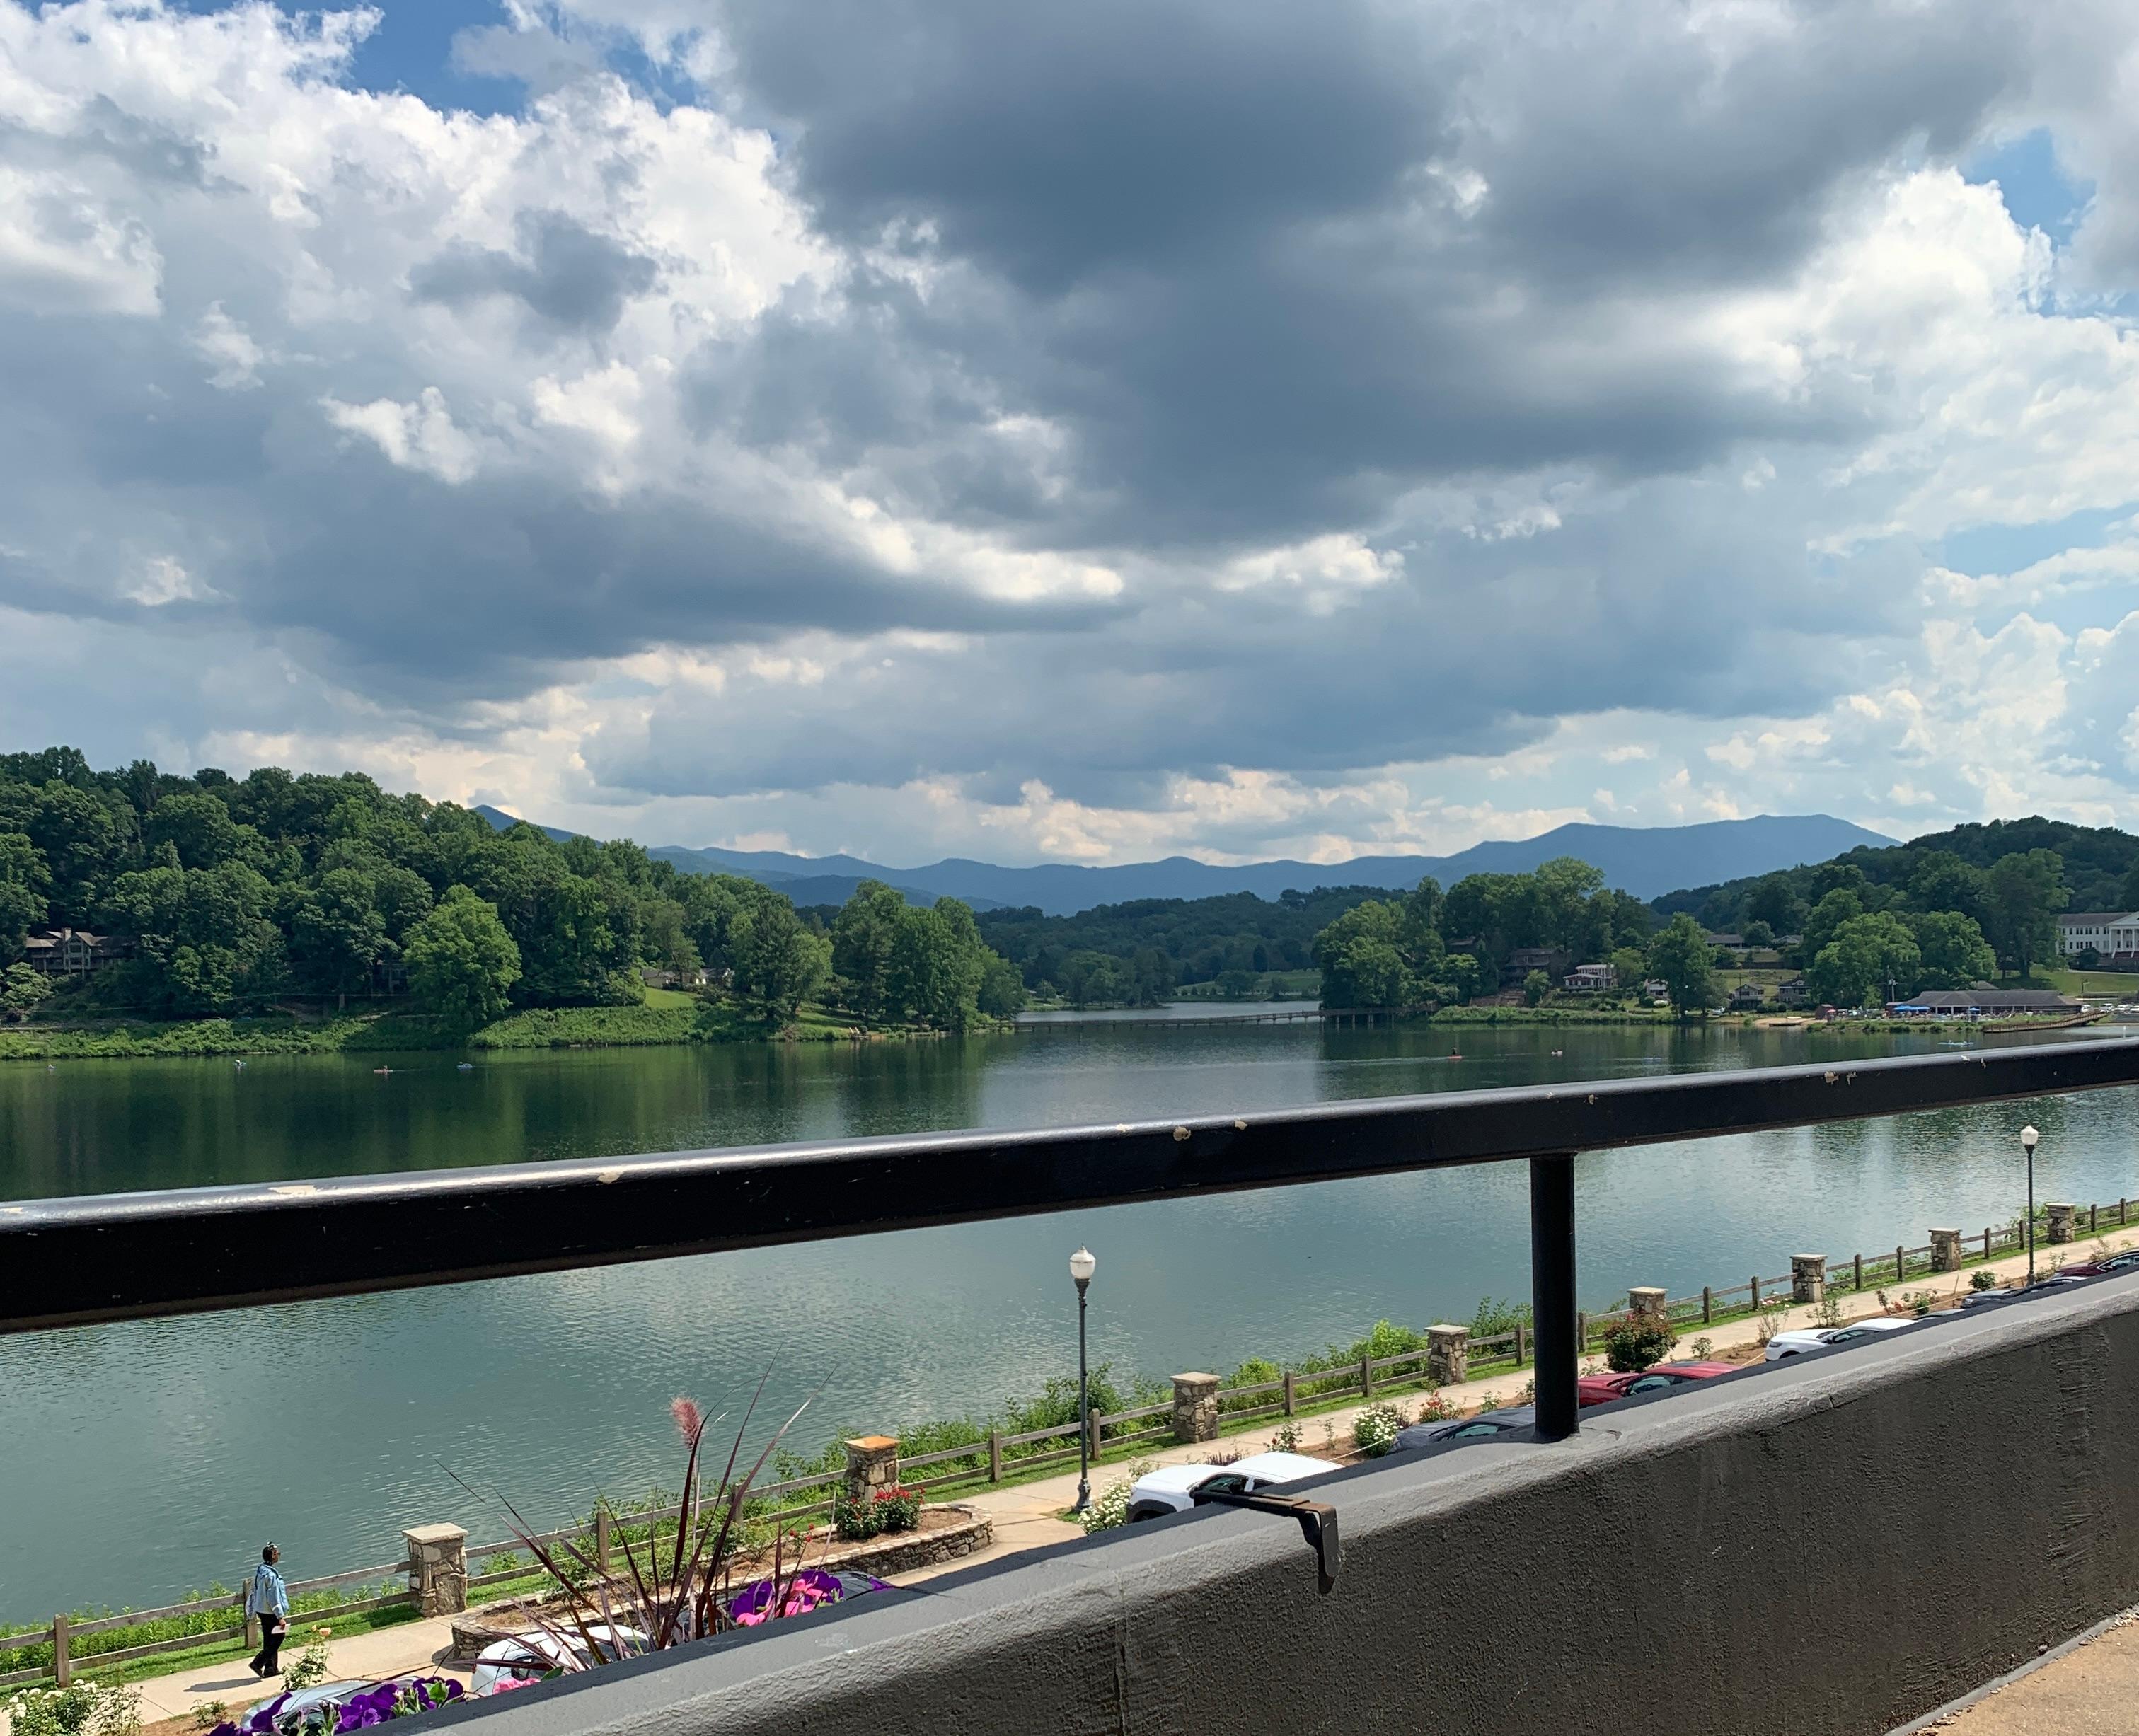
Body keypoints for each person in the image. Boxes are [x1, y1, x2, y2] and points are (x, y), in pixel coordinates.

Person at [246, 1544, 289, 1678]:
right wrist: (280, 1616)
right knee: (279, 1636)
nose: (279, 1555)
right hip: (270, 1612)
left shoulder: (261, 1571)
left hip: (261, 1610)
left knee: (269, 1638)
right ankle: (258, 1663)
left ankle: (271, 1669)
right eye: (277, 1553)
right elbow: (273, 1598)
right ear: (273, 1556)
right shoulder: (270, 1575)